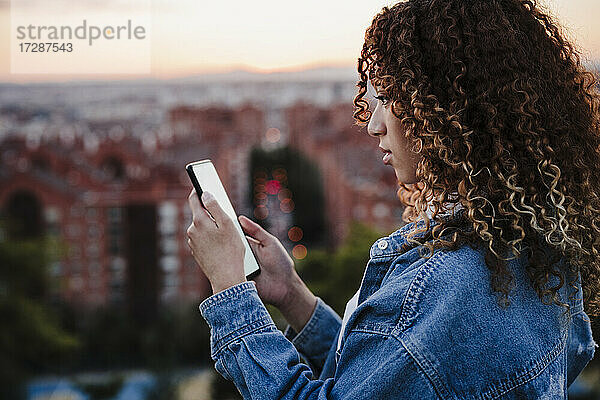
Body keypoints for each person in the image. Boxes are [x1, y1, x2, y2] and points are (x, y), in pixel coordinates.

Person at [186, 0, 599, 398]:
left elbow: (406, 360)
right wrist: (293, 295)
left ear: (448, 108)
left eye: (387, 97)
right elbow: (389, 378)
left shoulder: (441, 290)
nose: (373, 125)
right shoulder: (537, 250)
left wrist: (229, 289)